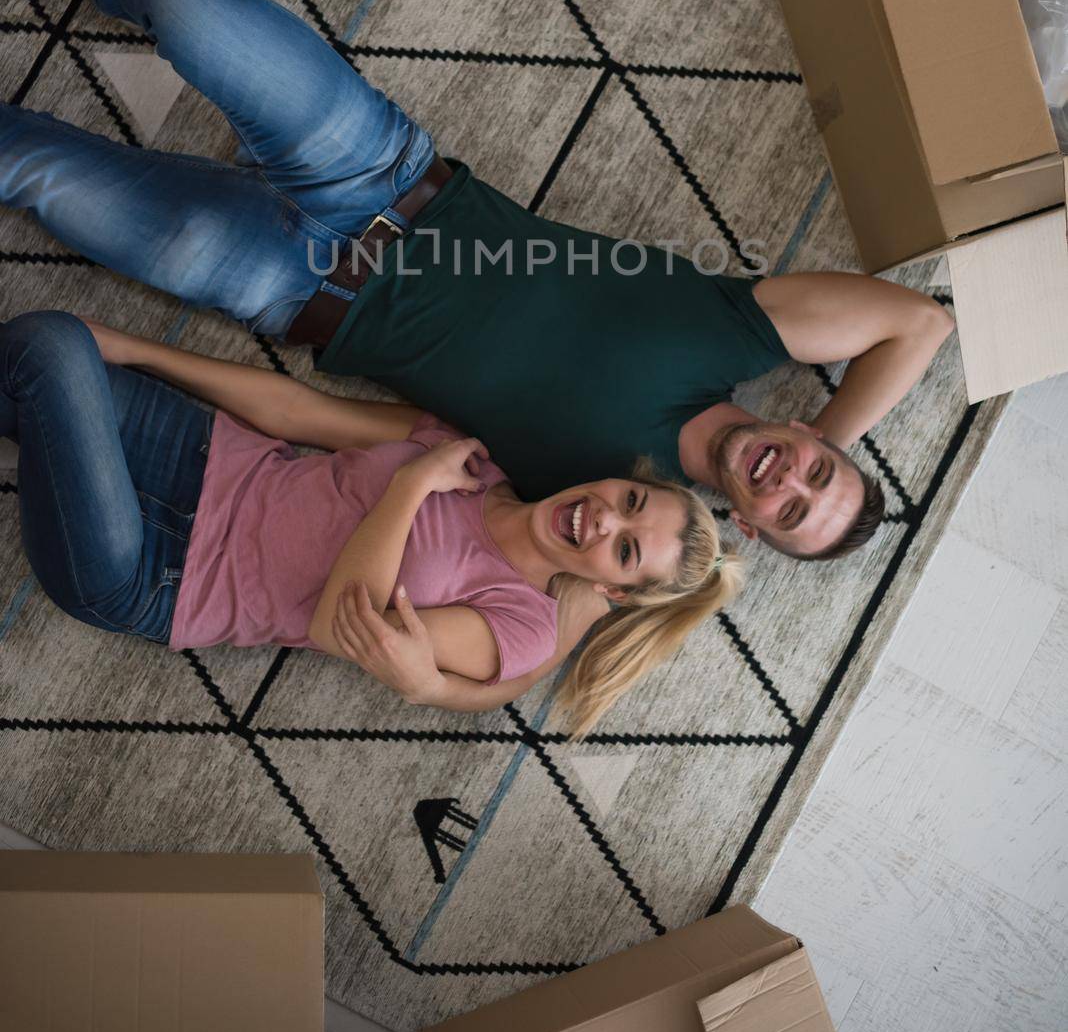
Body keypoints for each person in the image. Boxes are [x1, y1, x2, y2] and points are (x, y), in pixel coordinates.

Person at [0, 0, 956, 562]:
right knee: (184, 1)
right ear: (809, 432)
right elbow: (919, 326)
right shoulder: (740, 335)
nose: (789, 477)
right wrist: (831, 433)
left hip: (288, 291)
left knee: (33, 173)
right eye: (816, 471)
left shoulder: (616, 511)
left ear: (748, 529)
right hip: (386, 172)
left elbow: (474, 549)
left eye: (789, 511)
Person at [0, 309, 742, 735]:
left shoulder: (519, 626)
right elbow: (298, 412)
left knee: (47, 351)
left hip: (158, 577)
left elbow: (337, 623)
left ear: (611, 592)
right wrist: (134, 350)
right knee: (41, 352)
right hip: (199, 457)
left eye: (624, 551)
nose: (605, 519)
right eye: (632, 502)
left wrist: (413, 484)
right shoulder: (478, 459)